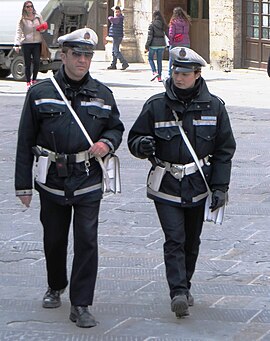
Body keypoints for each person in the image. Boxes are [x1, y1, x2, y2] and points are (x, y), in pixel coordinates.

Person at [15, 27, 124, 328]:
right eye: (77, 54)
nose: (83, 60)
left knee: (87, 240)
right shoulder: (40, 93)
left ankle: (81, 303)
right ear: (63, 55)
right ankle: (55, 284)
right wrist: (23, 185)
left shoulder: (103, 94)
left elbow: (116, 127)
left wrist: (107, 143)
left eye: (88, 55)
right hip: (51, 180)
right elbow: (25, 140)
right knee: (54, 238)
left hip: (87, 177)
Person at [128, 47, 236, 319]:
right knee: (174, 238)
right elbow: (134, 139)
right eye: (176, 71)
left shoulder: (215, 107)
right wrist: (142, 145)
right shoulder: (156, 105)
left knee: (192, 240)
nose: (179, 77)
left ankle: (185, 285)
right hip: (166, 183)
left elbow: (224, 150)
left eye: (186, 73)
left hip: (198, 185)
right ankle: (177, 291)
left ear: (197, 75)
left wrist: (221, 188)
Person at [14, 1, 47, 90]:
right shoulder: (22, 19)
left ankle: (34, 80)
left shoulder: (38, 16)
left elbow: (43, 29)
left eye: (31, 6)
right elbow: (19, 31)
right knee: (27, 64)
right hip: (26, 43)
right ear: (24, 8)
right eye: (27, 7)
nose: (30, 8)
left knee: (36, 62)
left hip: (37, 42)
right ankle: (28, 81)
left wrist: (42, 28)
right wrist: (17, 44)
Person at [145, 10, 168, 82]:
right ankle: (159, 77)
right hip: (161, 44)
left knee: (150, 58)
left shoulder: (152, 24)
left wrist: (146, 46)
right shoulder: (163, 24)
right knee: (159, 61)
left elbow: (150, 36)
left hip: (153, 44)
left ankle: (154, 72)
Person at [168, 7, 191, 77]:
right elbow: (186, 32)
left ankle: (170, 73)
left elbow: (171, 33)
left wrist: (170, 42)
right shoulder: (186, 21)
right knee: (184, 58)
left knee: (172, 59)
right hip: (185, 42)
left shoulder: (173, 22)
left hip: (176, 43)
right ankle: (184, 73)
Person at [107, 6, 129, 70]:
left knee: (116, 51)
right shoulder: (117, 17)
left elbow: (112, 19)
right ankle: (113, 64)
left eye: (118, 12)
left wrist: (110, 17)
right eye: (116, 12)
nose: (117, 13)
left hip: (117, 36)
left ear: (120, 12)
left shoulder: (119, 18)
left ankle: (124, 63)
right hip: (115, 36)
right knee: (114, 51)